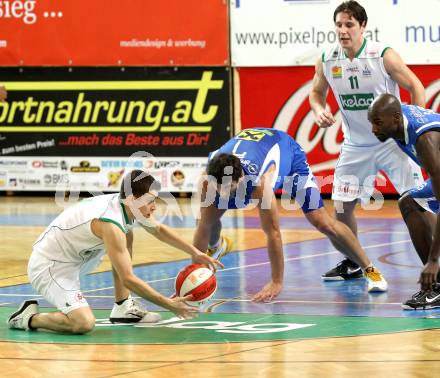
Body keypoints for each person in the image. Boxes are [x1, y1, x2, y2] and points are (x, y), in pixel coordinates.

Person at [7, 170, 223, 334]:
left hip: (78, 259)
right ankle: (28, 318)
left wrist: (194, 252)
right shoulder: (110, 223)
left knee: (126, 234)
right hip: (50, 267)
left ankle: (122, 307)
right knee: (83, 323)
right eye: (150, 200)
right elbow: (128, 278)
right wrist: (168, 304)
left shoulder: (124, 205)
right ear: (132, 199)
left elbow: (157, 229)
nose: (155, 206)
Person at [192, 127, 387, 302]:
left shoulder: (260, 182)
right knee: (206, 217)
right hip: (251, 151)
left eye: (229, 189)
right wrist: (194, 276)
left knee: (321, 221)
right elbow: (202, 227)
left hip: (289, 157)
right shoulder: (208, 178)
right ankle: (216, 246)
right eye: (220, 189)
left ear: (241, 178)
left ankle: (371, 270)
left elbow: (274, 233)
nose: (224, 195)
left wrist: (277, 282)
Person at [309, 0, 425, 281]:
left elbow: (415, 87)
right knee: (341, 205)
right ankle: (353, 261)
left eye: (349, 24)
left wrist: (413, 130)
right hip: (355, 145)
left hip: (391, 143)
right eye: (339, 25)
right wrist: (318, 110)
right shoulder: (327, 58)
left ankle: (434, 268)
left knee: (418, 202)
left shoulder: (382, 56)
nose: (343, 30)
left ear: (363, 27)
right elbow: (316, 93)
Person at [368, 94, 440, 310]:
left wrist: (433, 261)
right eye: (372, 123)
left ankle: (435, 284)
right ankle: (436, 288)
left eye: (378, 123)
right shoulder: (399, 120)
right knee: (409, 202)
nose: (374, 130)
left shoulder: (424, 140)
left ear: (396, 118)